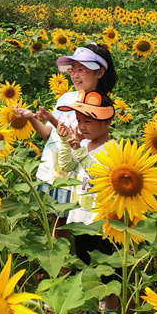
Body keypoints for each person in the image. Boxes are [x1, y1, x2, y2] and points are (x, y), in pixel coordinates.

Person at [14, 43, 118, 219]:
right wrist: (30, 117)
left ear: (99, 72)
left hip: (76, 174)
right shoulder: (65, 98)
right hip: (53, 169)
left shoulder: (100, 105)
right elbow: (49, 134)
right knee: (55, 220)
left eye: (82, 70)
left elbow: (90, 140)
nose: (75, 75)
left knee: (77, 220)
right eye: (73, 70)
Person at [54, 89, 120, 314]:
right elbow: (66, 165)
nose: (82, 126)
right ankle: (91, 309)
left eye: (88, 121)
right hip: (81, 218)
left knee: (109, 270)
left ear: (107, 122)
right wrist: (65, 141)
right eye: (79, 121)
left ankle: (111, 313)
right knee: (87, 266)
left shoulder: (112, 149)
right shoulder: (86, 145)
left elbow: (98, 175)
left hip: (103, 222)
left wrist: (79, 150)